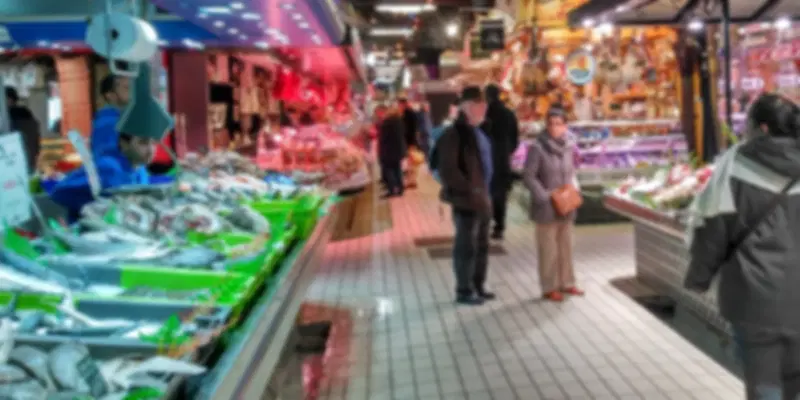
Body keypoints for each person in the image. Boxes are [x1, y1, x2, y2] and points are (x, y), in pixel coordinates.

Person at [684, 94, 800, 400]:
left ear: (762, 128)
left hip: (754, 297)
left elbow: (714, 229)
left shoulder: (734, 167)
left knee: (764, 383)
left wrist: (698, 277)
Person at [437, 86, 494, 305]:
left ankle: (478, 285)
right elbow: (448, 170)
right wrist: (470, 190)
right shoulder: (454, 135)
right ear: (468, 107)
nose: (484, 110)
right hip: (467, 201)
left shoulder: (479, 132)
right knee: (466, 246)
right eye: (480, 106)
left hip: (483, 198)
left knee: (481, 245)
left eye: (484, 106)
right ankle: (464, 290)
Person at [523, 106, 582, 302]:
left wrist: (574, 189)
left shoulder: (568, 147)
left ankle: (567, 283)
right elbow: (529, 176)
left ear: (565, 126)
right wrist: (544, 196)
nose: (554, 127)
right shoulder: (537, 148)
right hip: (547, 206)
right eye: (551, 124)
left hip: (566, 204)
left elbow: (571, 171)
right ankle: (549, 286)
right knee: (548, 249)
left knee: (566, 246)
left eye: (559, 124)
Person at [50, 133, 155, 222]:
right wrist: (91, 205)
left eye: (154, 143)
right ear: (124, 144)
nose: (151, 150)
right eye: (143, 143)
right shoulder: (107, 167)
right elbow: (60, 192)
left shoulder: (141, 172)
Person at [482, 84, 520, 240]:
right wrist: (508, 151)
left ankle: (485, 223)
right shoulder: (509, 113)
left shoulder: (484, 114)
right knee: (501, 194)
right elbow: (515, 137)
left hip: (486, 158)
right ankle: (499, 226)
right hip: (502, 158)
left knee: (485, 192)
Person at [91, 75, 130, 159]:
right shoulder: (107, 123)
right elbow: (108, 159)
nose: (132, 92)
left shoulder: (122, 118)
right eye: (126, 88)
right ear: (110, 95)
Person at [5, 87, 41, 172]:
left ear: (9, 99)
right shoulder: (26, 113)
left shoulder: (8, 115)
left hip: (13, 159)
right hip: (29, 158)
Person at [375, 105, 406, 198]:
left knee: (389, 170)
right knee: (397, 169)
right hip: (399, 150)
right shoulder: (399, 122)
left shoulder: (387, 123)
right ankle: (400, 189)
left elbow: (383, 138)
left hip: (388, 151)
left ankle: (392, 189)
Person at [398, 98, 420, 188]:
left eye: (399, 105)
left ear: (403, 104)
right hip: (409, 141)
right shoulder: (408, 113)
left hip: (409, 142)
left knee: (410, 162)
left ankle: (411, 181)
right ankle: (411, 181)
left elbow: (411, 130)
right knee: (410, 162)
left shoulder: (408, 114)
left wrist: (411, 142)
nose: (399, 107)